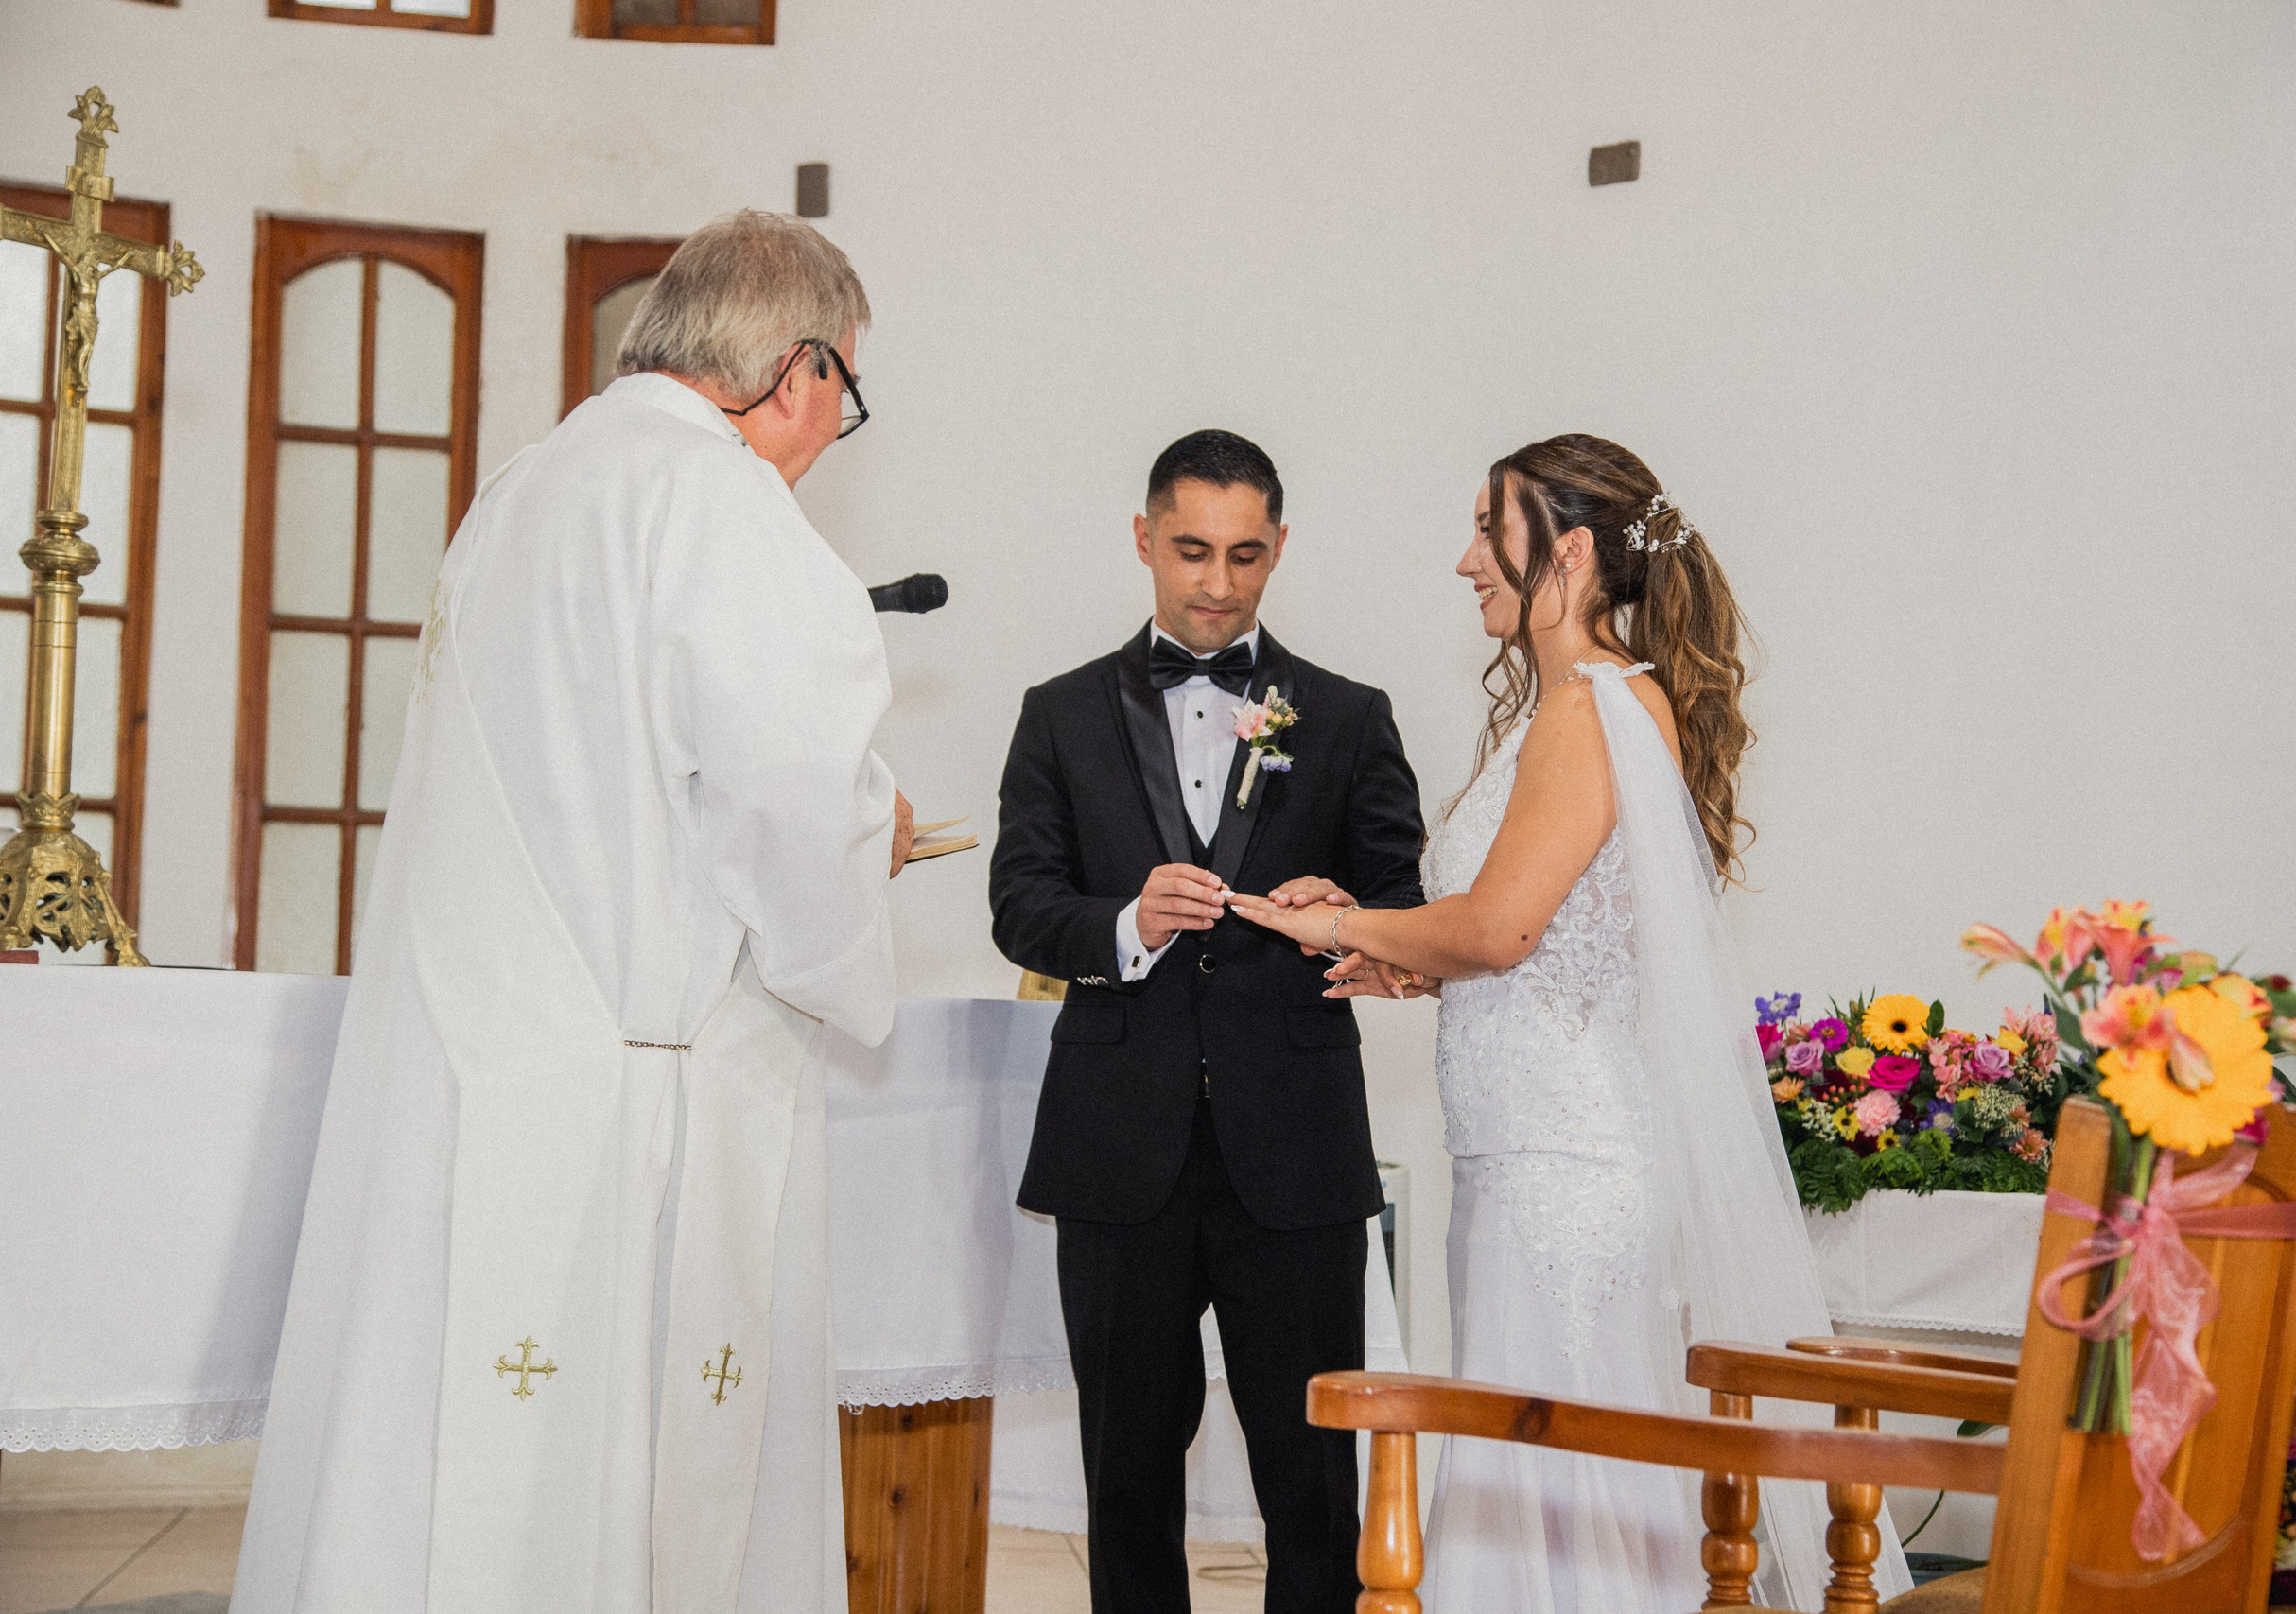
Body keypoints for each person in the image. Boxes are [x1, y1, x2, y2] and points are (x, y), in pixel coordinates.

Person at [233, 210, 910, 1614]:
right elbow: (786, 802)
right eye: (846, 390)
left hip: (471, 1064)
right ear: (796, 371)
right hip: (623, 1109)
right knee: (607, 1501)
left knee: (442, 1492)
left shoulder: (527, 487)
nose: (834, 430)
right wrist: (867, 840)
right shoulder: (723, 507)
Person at [1228, 435, 1909, 1611]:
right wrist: (1400, 953)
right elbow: (1540, 942)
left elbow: (1500, 931)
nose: (1464, 562)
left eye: (1486, 530)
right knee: (1544, 1453)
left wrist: (1344, 923)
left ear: (1572, 549)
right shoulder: (1584, 708)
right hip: (1528, 1147)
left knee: (1555, 1458)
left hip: (1564, 1168)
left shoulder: (1588, 710)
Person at [989, 429, 1426, 1614]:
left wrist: (1351, 916)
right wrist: (1126, 925)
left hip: (1295, 1144)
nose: (1217, 582)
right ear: (1142, 539)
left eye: (1244, 554)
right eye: (1190, 551)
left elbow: (1404, 904)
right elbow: (1021, 910)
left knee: (1312, 1472)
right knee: (1124, 1469)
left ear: (1279, 549)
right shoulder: (1058, 713)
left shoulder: (1346, 716)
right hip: (1114, 1139)